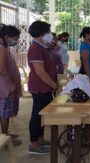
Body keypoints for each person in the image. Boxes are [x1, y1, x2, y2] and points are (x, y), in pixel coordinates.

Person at [27, 20, 59, 155]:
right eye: (47, 32)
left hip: (46, 87)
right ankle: (34, 144)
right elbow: (40, 71)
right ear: (41, 33)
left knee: (43, 115)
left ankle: (40, 139)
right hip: (40, 87)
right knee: (37, 115)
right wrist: (53, 85)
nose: (50, 34)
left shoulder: (42, 47)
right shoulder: (35, 48)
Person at [0, 24, 22, 146]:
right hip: (5, 87)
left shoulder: (4, 46)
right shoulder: (1, 48)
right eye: (15, 39)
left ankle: (5, 133)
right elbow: (1, 68)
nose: (16, 41)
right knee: (5, 112)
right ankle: (5, 138)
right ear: (7, 36)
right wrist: (10, 83)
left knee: (4, 112)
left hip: (5, 85)